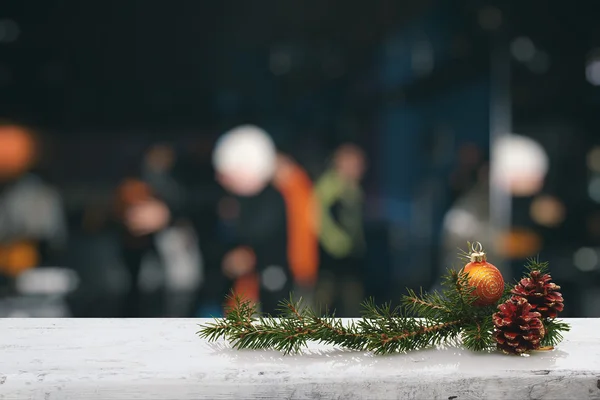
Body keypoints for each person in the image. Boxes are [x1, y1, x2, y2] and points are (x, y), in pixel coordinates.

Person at [212, 125, 292, 315]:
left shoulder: (274, 198)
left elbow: (270, 235)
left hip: (271, 285)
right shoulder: (223, 200)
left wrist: (250, 255)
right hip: (233, 295)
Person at [0, 122, 67, 288]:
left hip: (29, 287)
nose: (5, 153)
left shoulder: (40, 195)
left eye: (10, 148)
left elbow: (29, 252)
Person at [314, 143, 367, 316]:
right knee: (325, 299)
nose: (360, 168)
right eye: (354, 163)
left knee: (351, 300)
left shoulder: (353, 188)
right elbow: (317, 215)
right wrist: (335, 241)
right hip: (330, 257)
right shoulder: (329, 185)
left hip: (350, 256)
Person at [272, 152, 320, 299]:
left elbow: (302, 232)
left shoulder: (296, 190)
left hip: (296, 268)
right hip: (296, 267)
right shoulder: (300, 186)